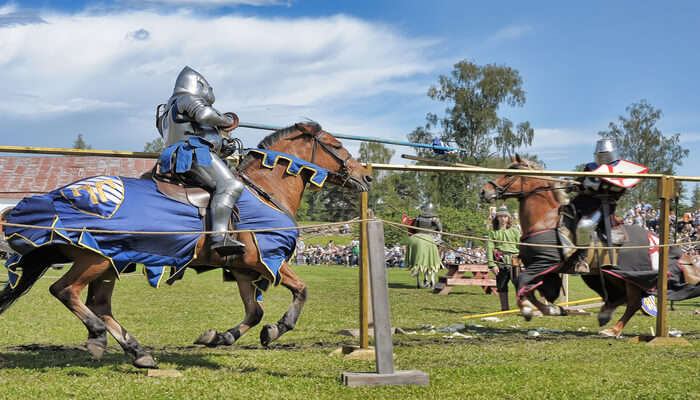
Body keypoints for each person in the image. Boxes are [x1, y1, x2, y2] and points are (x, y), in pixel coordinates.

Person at [156, 66, 245, 256]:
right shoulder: (187, 98)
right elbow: (205, 115)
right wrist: (227, 119)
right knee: (230, 186)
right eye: (209, 88)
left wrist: (222, 145)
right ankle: (219, 237)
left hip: (184, 153)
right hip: (193, 153)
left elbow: (195, 129)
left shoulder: (168, 108)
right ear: (199, 84)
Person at [572, 138, 635, 270]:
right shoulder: (590, 167)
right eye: (599, 153)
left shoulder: (620, 170)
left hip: (602, 205)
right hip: (582, 202)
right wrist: (573, 185)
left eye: (604, 153)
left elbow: (618, 189)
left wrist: (594, 186)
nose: (601, 155)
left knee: (585, 226)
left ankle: (582, 260)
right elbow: (580, 181)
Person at [487, 205, 521, 311]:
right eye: (500, 216)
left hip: (515, 258)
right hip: (500, 259)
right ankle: (505, 308)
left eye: (505, 217)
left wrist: (523, 260)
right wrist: (492, 264)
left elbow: (521, 246)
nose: (503, 219)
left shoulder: (515, 231)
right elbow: (490, 248)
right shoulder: (493, 232)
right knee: (501, 284)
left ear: (508, 218)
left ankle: (522, 307)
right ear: (497, 218)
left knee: (518, 282)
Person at [406, 203, 443, 288]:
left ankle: (416, 270)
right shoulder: (435, 219)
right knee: (436, 254)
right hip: (430, 238)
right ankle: (434, 270)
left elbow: (414, 229)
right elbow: (440, 230)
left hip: (417, 236)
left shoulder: (418, 218)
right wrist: (438, 240)